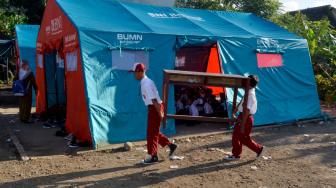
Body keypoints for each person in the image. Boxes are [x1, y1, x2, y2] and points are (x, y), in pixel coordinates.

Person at [130, 63, 177, 164]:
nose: (134, 75)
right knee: (154, 131)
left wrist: (159, 112)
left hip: (155, 108)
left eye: (135, 72)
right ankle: (170, 145)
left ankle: (153, 156)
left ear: (140, 72)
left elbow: (154, 100)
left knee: (151, 133)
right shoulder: (145, 82)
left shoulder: (146, 83)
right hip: (154, 107)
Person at [226, 75, 263, 160]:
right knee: (237, 136)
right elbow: (242, 102)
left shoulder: (251, 95)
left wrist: (242, 122)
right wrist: (235, 111)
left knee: (243, 137)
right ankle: (236, 154)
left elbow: (247, 110)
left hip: (246, 117)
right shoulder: (248, 91)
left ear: (249, 84)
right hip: (243, 116)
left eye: (246, 82)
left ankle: (258, 149)